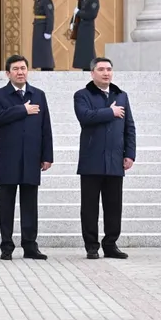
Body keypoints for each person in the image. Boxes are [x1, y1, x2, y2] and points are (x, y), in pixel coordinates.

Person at [0, 55, 53, 260]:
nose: (20, 72)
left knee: (30, 205)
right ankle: (6, 246)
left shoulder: (38, 95)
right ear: (7, 73)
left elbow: (46, 127)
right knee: (6, 205)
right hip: (8, 158)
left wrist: (47, 155)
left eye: (23, 68)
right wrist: (23, 109)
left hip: (31, 157)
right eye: (16, 69)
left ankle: (30, 246)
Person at [74, 57, 135, 259]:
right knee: (89, 207)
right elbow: (85, 117)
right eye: (101, 69)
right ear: (92, 73)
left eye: (109, 69)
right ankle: (91, 246)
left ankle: (110, 244)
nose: (106, 73)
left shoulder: (121, 96)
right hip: (91, 160)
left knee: (114, 207)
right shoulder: (82, 95)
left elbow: (129, 127)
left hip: (115, 160)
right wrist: (110, 112)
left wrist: (129, 154)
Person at [72, 0, 100, 71]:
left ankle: (89, 68)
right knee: (82, 49)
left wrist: (79, 13)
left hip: (87, 28)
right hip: (81, 27)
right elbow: (78, 9)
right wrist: (73, 22)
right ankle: (84, 68)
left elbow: (91, 14)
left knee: (87, 49)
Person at [32, 0, 55, 71]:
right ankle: (42, 66)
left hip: (43, 28)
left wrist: (48, 31)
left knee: (45, 50)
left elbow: (50, 17)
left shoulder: (47, 0)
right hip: (38, 26)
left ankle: (48, 68)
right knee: (39, 49)